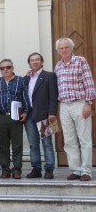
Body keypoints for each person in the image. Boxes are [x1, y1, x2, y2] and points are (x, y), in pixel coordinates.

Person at [54, 37, 95, 181]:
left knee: (84, 139)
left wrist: (88, 103)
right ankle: (76, 170)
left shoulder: (80, 61)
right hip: (64, 106)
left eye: (66, 47)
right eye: (61, 48)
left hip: (79, 103)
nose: (64, 50)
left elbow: (89, 82)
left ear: (72, 48)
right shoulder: (57, 66)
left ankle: (86, 171)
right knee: (69, 140)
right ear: (58, 50)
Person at [24, 52, 58, 179]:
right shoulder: (26, 78)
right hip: (29, 115)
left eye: (37, 59)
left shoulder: (50, 76)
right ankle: (36, 169)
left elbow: (53, 96)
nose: (35, 62)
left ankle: (49, 169)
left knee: (47, 143)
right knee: (33, 144)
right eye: (32, 60)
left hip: (45, 115)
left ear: (42, 62)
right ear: (29, 63)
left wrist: (52, 112)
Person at [0, 59, 30, 179]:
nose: (5, 70)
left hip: (16, 116)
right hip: (1, 117)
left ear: (12, 68)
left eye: (8, 67)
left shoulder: (20, 80)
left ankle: (16, 170)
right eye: (2, 68)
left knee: (17, 145)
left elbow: (25, 97)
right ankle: (5, 169)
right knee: (3, 145)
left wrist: (25, 112)